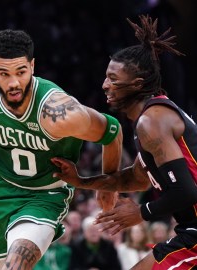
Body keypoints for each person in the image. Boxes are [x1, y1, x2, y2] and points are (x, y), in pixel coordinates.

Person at [0, 29, 123, 270]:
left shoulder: (58, 111)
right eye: (3, 73)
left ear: (32, 66)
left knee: (16, 264)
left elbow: (112, 130)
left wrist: (108, 183)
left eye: (21, 72)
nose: (13, 83)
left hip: (44, 194)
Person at [51, 15, 197, 269]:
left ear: (137, 84)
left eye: (114, 79)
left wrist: (141, 213)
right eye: (107, 77)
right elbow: (137, 179)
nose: (105, 85)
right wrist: (82, 181)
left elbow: (186, 191)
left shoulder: (151, 122)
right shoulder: (151, 119)